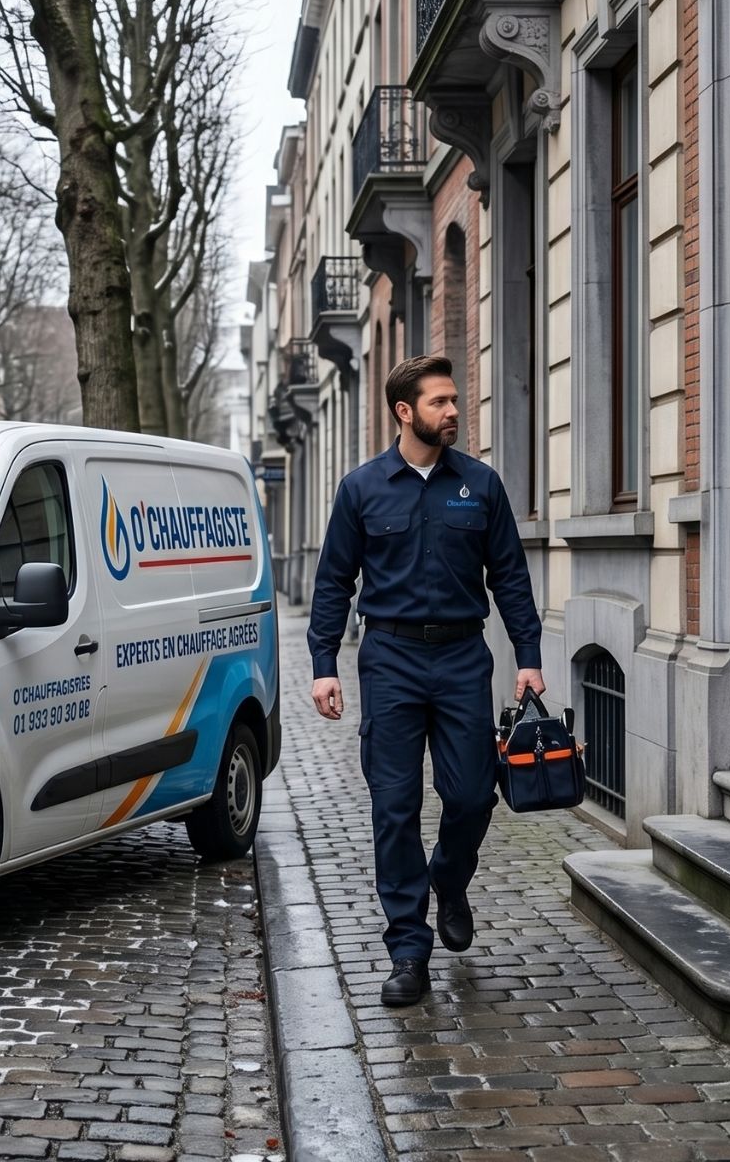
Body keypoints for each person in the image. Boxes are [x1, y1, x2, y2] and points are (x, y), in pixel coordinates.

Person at [308, 354, 544, 1007]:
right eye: (439, 401)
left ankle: (450, 875)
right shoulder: (361, 489)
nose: (453, 411)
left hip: (464, 658)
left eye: (454, 400)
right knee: (395, 807)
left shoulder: (481, 485)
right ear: (404, 411)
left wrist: (528, 654)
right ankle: (408, 950)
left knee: (471, 796)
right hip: (389, 659)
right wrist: (324, 664)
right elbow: (333, 582)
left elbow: (511, 577)